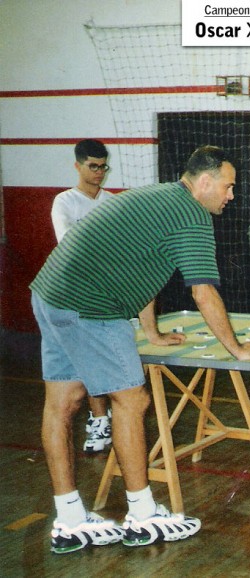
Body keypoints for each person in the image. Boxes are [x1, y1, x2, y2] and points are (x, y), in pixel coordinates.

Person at [30, 145, 250, 554]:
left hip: (51, 293)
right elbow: (203, 291)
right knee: (132, 401)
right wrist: (237, 349)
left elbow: (138, 269)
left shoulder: (156, 196)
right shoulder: (191, 216)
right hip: (91, 305)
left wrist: (152, 333)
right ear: (205, 182)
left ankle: (69, 519)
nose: (232, 195)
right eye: (229, 187)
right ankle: (142, 515)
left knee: (62, 402)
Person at [51, 139, 115, 454]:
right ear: (78, 166)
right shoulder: (65, 202)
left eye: (103, 166)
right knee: (85, 362)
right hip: (75, 295)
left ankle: (108, 415)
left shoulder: (113, 202)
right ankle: (100, 418)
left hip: (111, 295)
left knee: (109, 360)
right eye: (93, 166)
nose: (99, 172)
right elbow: (69, 248)